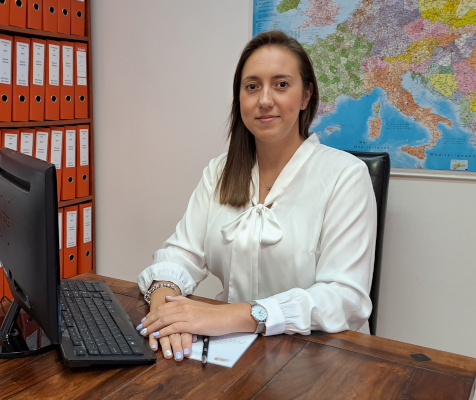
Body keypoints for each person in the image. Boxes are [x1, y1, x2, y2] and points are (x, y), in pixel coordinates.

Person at [135, 30, 376, 362]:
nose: (264, 100)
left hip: (320, 359)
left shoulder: (345, 175)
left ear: (306, 96)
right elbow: (180, 254)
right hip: (233, 354)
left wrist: (237, 315)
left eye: (281, 84)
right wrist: (166, 308)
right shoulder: (220, 171)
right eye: (252, 86)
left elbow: (344, 297)